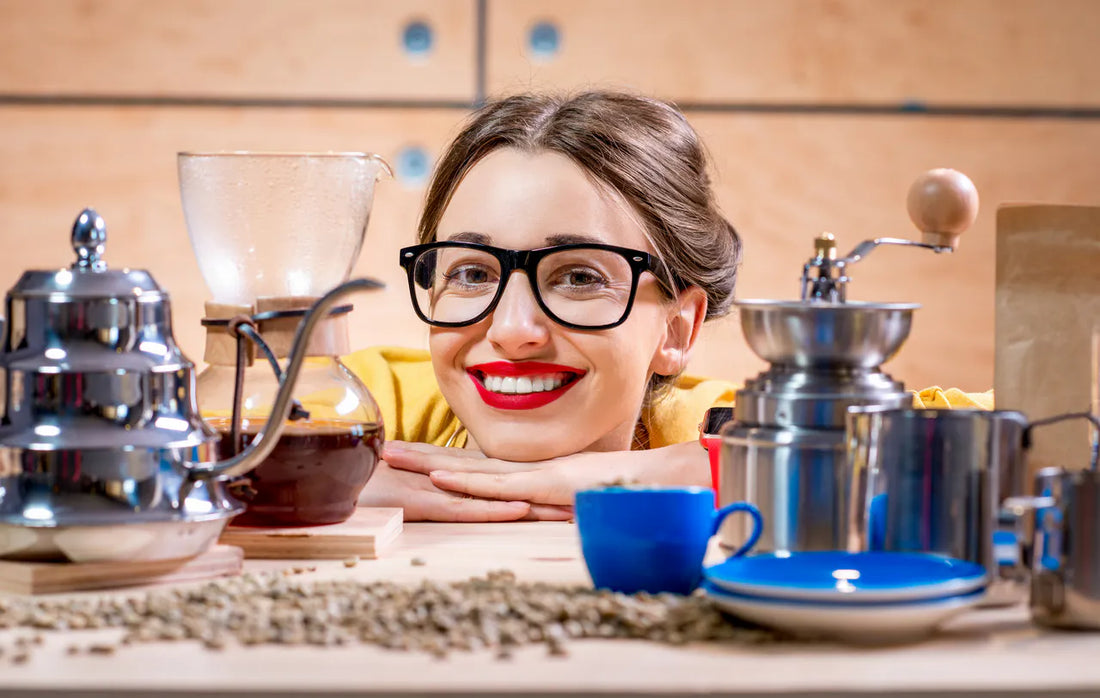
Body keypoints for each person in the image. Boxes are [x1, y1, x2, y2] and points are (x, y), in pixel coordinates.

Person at [347, 91, 990, 522]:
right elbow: (248, 437)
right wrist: (318, 488)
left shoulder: (717, 427)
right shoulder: (372, 409)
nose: (514, 331)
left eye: (576, 277)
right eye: (471, 272)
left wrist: (690, 471)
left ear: (676, 329)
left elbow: (1055, 441)